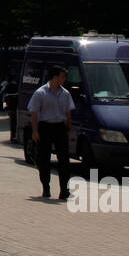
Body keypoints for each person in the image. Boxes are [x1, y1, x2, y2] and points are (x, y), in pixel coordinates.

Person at [28, 65, 75, 200]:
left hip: (60, 127)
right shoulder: (40, 93)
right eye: (62, 76)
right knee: (44, 159)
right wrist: (35, 131)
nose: (64, 79)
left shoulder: (65, 94)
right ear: (55, 77)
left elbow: (68, 113)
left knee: (64, 160)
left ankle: (64, 189)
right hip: (45, 127)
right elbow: (34, 113)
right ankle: (46, 187)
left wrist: (68, 130)